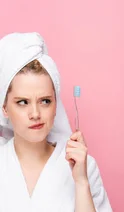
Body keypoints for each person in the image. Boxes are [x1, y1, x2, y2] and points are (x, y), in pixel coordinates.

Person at [0, 32, 112, 212]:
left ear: (56, 104)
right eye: (23, 102)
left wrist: (81, 183)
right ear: (4, 107)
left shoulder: (83, 166)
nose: (35, 114)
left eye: (45, 101)